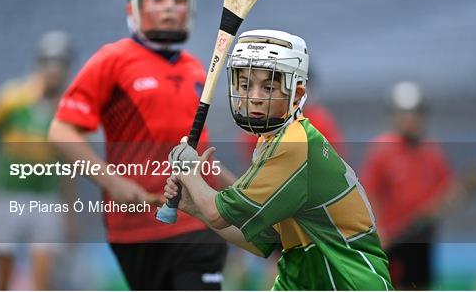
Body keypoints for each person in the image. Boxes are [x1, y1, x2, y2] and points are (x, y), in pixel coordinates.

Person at [163, 29, 393, 290]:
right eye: (246, 85)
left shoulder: (294, 144)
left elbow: (218, 214)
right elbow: (264, 241)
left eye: (268, 87)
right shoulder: (271, 141)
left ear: (296, 94)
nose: (255, 97)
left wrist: (190, 172)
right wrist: (194, 206)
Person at [48, 0, 228, 290]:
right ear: (134, 6)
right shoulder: (112, 60)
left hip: (198, 223)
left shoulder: (196, 68)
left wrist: (240, 191)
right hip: (134, 226)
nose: (171, 7)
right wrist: (111, 182)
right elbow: (61, 130)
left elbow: (200, 151)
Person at [0, 30, 73, 290]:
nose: (55, 70)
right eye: (50, 62)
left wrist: (68, 207)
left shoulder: (67, 108)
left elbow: (69, 162)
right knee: (2, 274)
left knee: (43, 273)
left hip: (45, 198)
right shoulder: (12, 98)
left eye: (60, 63)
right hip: (7, 194)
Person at [360, 81, 457, 289]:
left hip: (421, 239)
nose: (409, 120)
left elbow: (446, 191)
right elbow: (369, 193)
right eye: (403, 113)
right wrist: (378, 231)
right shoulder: (383, 150)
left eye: (415, 113)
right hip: (391, 240)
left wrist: (444, 203)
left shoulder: (432, 152)